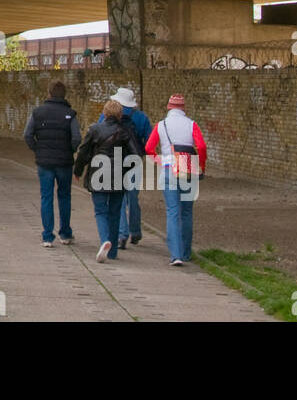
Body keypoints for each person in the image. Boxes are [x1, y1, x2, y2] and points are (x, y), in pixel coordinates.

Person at [73, 99, 142, 263]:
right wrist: (126, 170)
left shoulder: (95, 130)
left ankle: (105, 240)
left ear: (104, 113)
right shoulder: (125, 131)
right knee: (115, 212)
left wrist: (78, 170)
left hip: (98, 175)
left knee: (100, 211)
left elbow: (83, 152)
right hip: (119, 177)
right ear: (119, 115)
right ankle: (112, 252)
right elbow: (136, 155)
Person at [145, 94, 208, 267]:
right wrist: (200, 163)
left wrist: (159, 160)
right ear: (183, 108)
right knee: (187, 213)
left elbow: (149, 148)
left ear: (169, 107)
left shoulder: (161, 125)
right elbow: (201, 146)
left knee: (172, 212)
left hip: (168, 169)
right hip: (188, 169)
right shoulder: (191, 124)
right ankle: (186, 253)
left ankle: (176, 254)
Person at [24, 81, 82, 247]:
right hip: (64, 162)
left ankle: (47, 236)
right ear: (64, 95)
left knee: (46, 197)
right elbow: (77, 138)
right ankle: (65, 233)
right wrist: (69, 150)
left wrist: (38, 150)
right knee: (64, 196)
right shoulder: (70, 114)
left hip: (44, 162)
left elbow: (28, 135)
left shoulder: (38, 113)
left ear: (49, 93)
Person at [98, 87, 151, 249]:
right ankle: (135, 231)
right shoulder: (141, 117)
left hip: (114, 160)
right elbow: (149, 141)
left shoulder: (106, 116)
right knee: (133, 197)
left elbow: (100, 134)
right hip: (134, 160)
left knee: (118, 197)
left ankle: (122, 234)